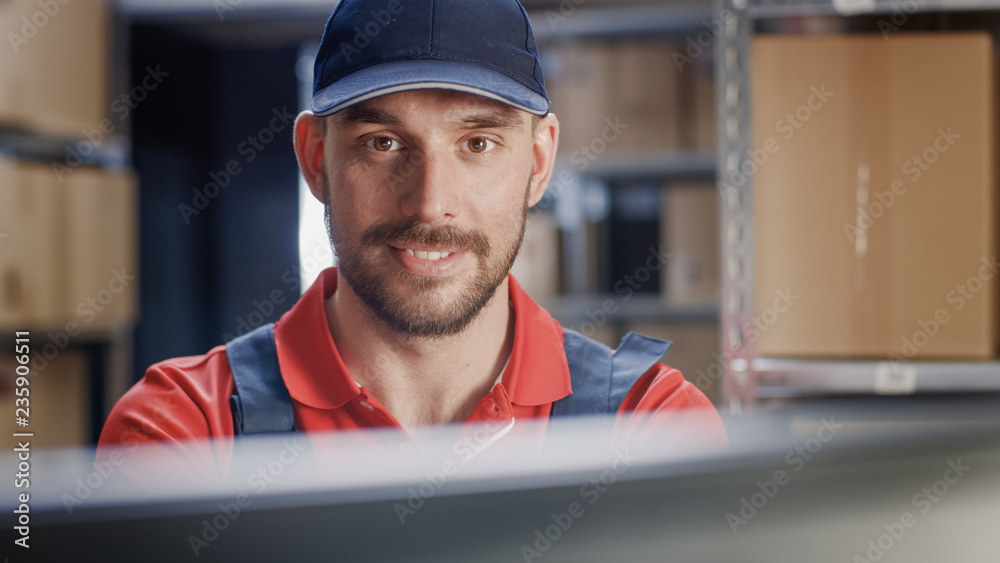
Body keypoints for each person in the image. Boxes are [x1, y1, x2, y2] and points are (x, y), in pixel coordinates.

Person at [97, 0, 726, 477]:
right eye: (383, 143)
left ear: (538, 163)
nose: (429, 202)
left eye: (477, 144)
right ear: (316, 157)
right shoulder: (183, 429)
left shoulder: (653, 429)